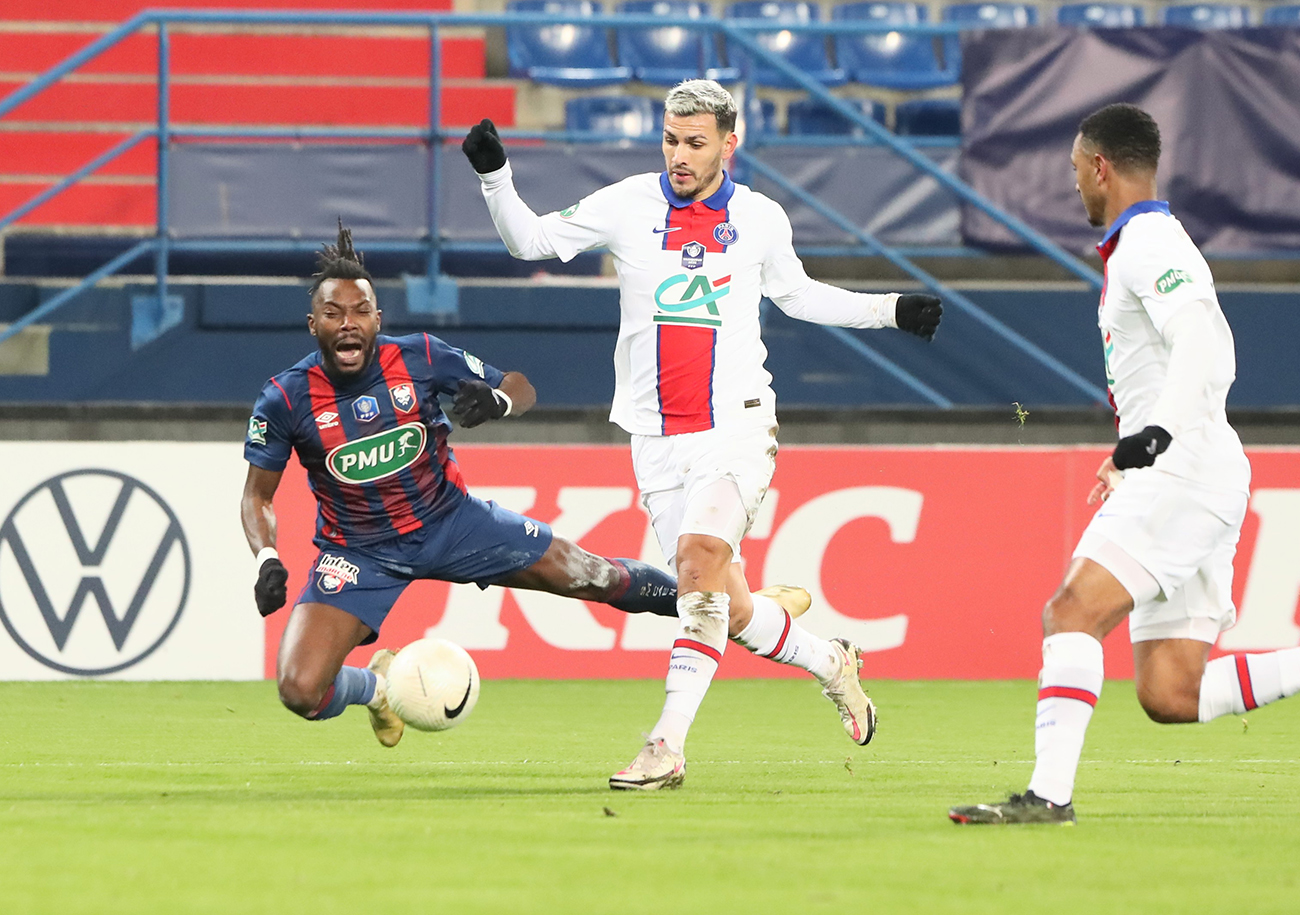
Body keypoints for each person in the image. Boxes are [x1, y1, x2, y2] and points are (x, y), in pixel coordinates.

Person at [462, 79, 944, 790]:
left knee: (697, 560)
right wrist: (494, 176)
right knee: (726, 604)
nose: (680, 155)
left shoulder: (759, 218)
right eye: (670, 140)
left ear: (729, 141)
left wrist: (890, 310)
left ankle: (666, 746)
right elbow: (528, 238)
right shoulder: (628, 202)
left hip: (737, 426)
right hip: (655, 440)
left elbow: (800, 294)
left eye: (695, 142)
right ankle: (832, 662)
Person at [950, 103, 1300, 825]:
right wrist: (1136, 450)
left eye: (1078, 171)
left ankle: (1048, 796)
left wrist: (1155, 437)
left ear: (1101, 167)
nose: (1076, 184)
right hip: (1189, 467)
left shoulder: (1148, 242)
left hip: (1185, 467)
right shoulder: (1143, 245)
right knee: (1171, 692)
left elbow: (1206, 343)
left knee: (1071, 611)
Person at [241, 223, 686, 748]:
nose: (348, 324)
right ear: (312, 323)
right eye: (333, 314)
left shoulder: (419, 357)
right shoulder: (285, 398)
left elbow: (520, 388)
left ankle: (710, 605)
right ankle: (379, 690)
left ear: (378, 320)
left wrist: (497, 401)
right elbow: (257, 496)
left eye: (360, 312)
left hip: (454, 523)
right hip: (358, 552)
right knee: (299, 689)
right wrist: (266, 557)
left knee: (593, 576)